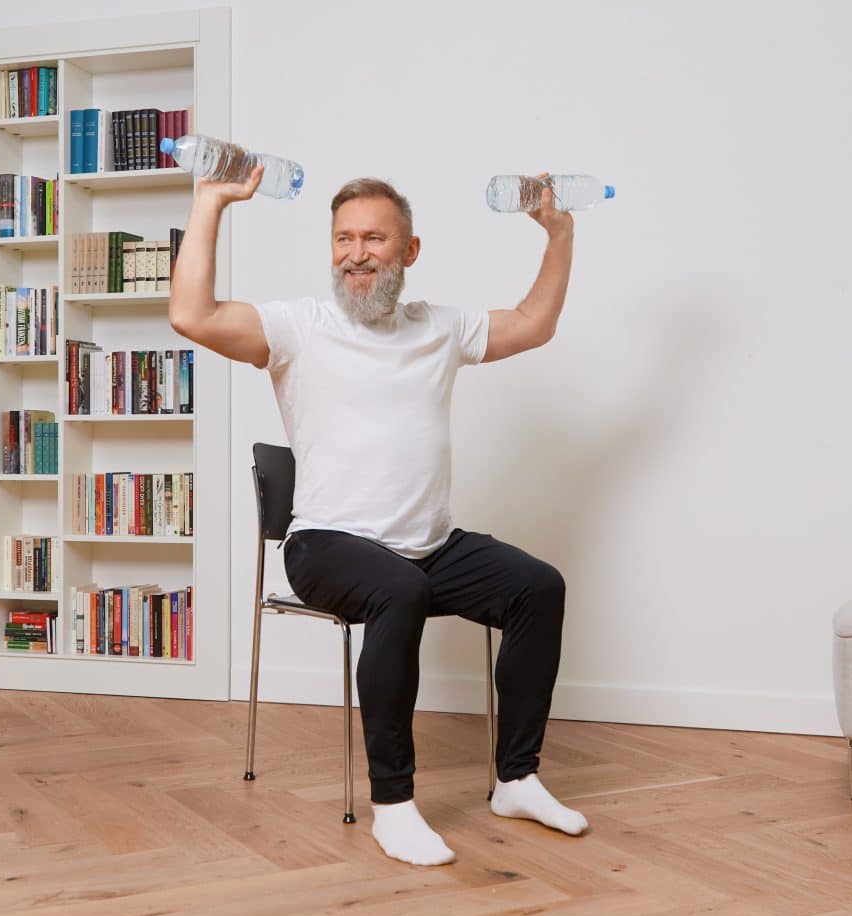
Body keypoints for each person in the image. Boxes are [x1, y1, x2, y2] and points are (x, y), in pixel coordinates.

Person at [170, 166, 587, 867]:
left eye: (373, 237)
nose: (356, 252)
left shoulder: (439, 327)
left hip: (429, 545)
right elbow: (192, 315)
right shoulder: (298, 326)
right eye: (343, 238)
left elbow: (534, 324)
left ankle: (515, 778)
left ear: (409, 251)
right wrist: (210, 202)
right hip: (327, 545)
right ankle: (392, 805)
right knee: (400, 590)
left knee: (536, 586)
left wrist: (560, 233)